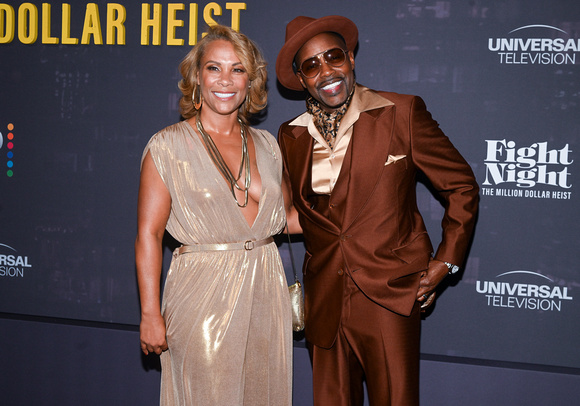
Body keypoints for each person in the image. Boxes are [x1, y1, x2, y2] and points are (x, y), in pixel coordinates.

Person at [275, 15, 479, 405]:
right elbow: (297, 215)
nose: (326, 71)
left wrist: (447, 261)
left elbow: (461, 186)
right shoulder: (292, 134)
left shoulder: (401, 112)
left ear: (350, 58)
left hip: (390, 291)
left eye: (333, 56)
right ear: (302, 79)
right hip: (325, 297)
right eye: (311, 65)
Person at [135, 24, 300, 405]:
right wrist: (150, 313)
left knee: (265, 393)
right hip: (202, 295)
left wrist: (357, 213)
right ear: (197, 77)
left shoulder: (268, 145)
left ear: (251, 81)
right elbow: (148, 234)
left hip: (265, 290)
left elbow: (287, 219)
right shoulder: (167, 146)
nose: (226, 80)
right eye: (214, 68)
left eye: (238, 69)